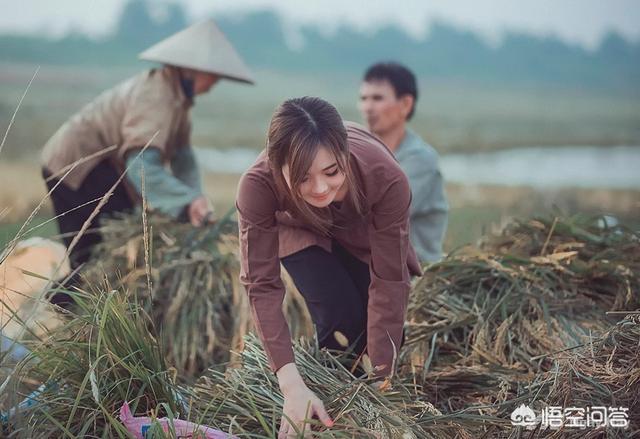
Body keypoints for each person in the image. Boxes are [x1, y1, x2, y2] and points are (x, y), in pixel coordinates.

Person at [236, 96, 421, 437]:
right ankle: (319, 406)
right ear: (277, 167)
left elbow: (390, 280)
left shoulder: (386, 177)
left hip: (357, 227)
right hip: (295, 226)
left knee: (376, 330)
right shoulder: (257, 186)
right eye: (303, 178)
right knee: (339, 318)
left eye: (331, 172)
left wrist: (383, 384)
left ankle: (360, 409)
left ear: (344, 154)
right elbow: (262, 285)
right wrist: (291, 388)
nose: (320, 188)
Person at [41, 19, 254, 298]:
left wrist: (195, 200)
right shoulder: (157, 96)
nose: (214, 83)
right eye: (212, 74)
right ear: (191, 69)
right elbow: (141, 166)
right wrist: (186, 201)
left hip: (98, 167)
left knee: (110, 248)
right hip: (76, 167)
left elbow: (183, 159)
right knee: (101, 253)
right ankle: (59, 309)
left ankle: (71, 307)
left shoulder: (178, 100)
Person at [359, 62, 448, 263]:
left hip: (412, 273)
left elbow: (381, 217)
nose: (368, 107)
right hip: (371, 264)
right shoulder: (360, 152)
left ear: (406, 104)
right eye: (363, 98)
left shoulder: (420, 159)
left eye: (377, 98)